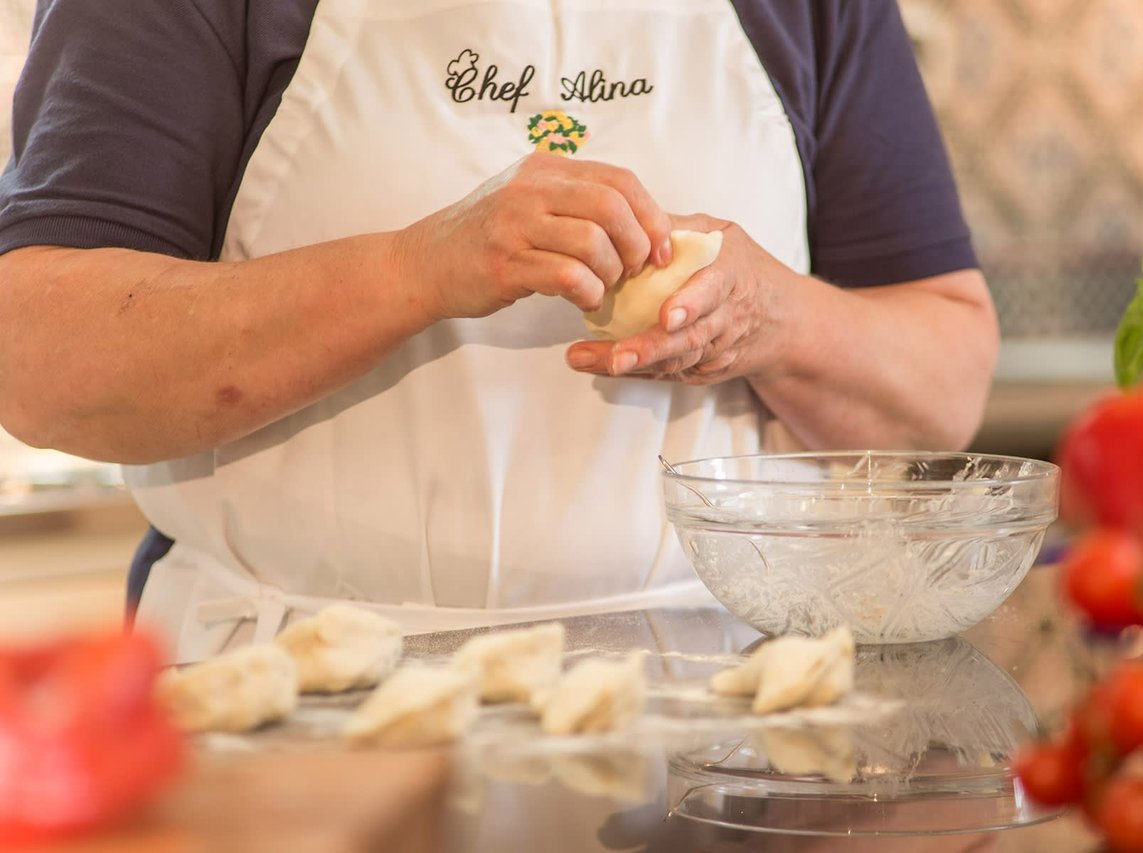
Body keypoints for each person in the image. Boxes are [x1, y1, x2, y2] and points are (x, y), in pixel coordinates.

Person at [0, 0, 998, 661]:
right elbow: (42, 357)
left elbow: (941, 389)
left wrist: (770, 316)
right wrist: (417, 269)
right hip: (287, 707)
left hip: (726, 731)